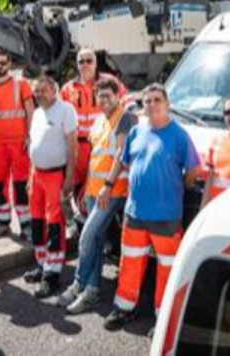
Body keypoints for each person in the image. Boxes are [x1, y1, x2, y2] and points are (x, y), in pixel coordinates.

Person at [103, 84, 201, 331]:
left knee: (167, 268)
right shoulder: (136, 132)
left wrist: (177, 185)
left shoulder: (179, 135)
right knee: (130, 263)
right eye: (147, 101)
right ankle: (124, 308)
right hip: (135, 213)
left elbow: (193, 171)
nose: (152, 104)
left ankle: (164, 318)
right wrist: (107, 185)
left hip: (166, 216)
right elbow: (122, 160)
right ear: (143, 106)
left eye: (157, 100)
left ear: (167, 104)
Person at [58, 77, 137, 314]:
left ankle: (79, 283)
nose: (103, 100)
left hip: (112, 191)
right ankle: (92, 290)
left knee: (86, 237)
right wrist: (86, 189)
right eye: (100, 96)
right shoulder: (99, 121)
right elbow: (95, 157)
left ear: (117, 96)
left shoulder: (126, 118)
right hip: (94, 190)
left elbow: (121, 155)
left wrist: (107, 185)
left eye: (108, 95)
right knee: (97, 239)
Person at [23, 76, 78, 299]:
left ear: (54, 91)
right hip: (37, 175)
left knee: (55, 224)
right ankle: (41, 263)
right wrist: (30, 176)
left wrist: (70, 177)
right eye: (37, 91)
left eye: (44, 90)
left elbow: (72, 145)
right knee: (37, 221)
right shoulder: (36, 113)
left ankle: (52, 276)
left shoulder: (66, 110)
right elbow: (35, 146)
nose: (39, 94)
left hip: (56, 175)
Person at [0, 49, 35, 239]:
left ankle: (26, 225)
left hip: (19, 144)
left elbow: (30, 112)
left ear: (10, 64)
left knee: (21, 186)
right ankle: (3, 224)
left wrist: (30, 136)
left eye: (3, 63)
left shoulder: (21, 85)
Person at [59, 48, 127, 201]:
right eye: (81, 61)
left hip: (101, 144)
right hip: (77, 147)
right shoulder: (68, 89)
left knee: (99, 186)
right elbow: (59, 117)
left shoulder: (108, 82)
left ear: (96, 64)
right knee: (78, 188)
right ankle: (81, 221)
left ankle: (98, 220)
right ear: (77, 65)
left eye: (89, 60)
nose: (85, 64)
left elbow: (126, 101)